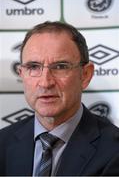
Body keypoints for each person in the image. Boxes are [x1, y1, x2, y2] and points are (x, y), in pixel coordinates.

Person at [0, 21, 119, 176]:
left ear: (85, 75)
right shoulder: (2, 143)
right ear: (21, 74)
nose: (45, 82)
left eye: (60, 67)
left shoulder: (114, 150)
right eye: (33, 67)